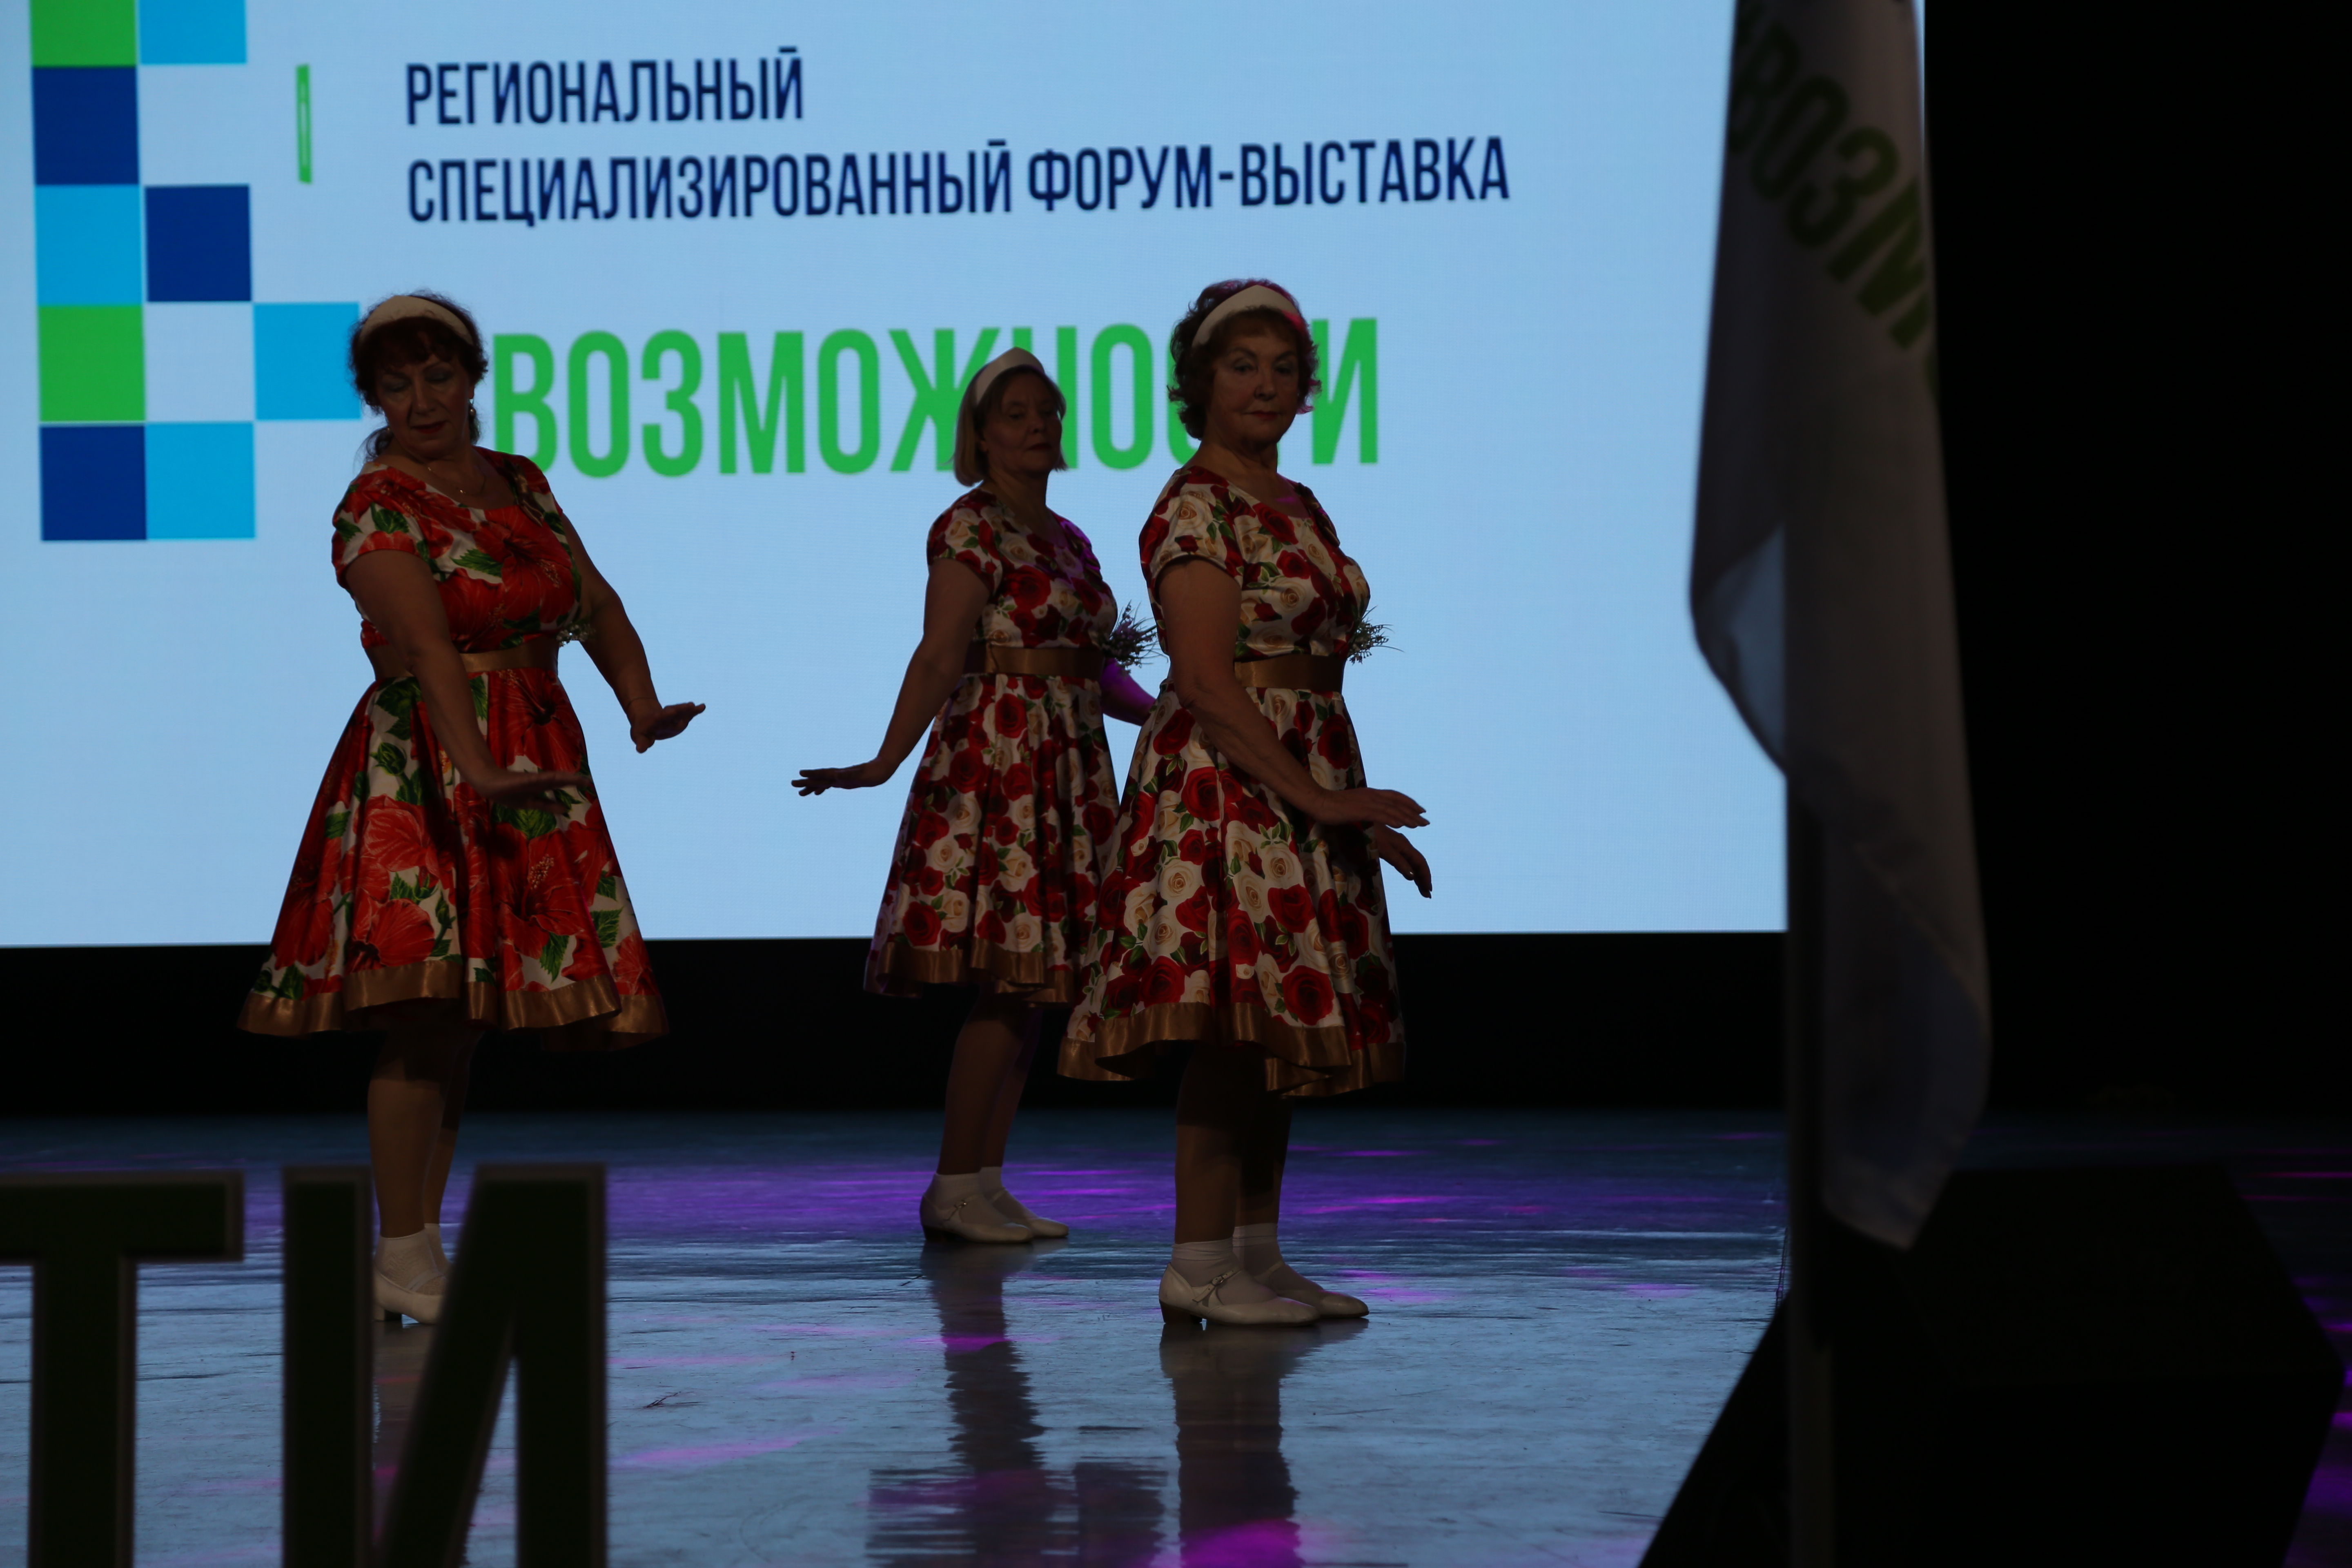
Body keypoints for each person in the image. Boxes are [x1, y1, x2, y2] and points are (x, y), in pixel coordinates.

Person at [238, 292, 704, 1324]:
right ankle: (400, 1250)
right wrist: (481, 769)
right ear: (373, 399)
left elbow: (593, 601)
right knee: (422, 1014)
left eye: (438, 376)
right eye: (396, 385)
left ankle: (414, 1249)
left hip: (528, 750)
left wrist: (640, 705)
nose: (421, 400)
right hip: (427, 767)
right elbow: (426, 645)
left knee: (464, 1023)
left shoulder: (520, 482)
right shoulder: (378, 504)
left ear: (472, 378)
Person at [1062, 281, 1433, 1326]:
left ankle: (1254, 1256)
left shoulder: (1299, 502)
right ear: (1199, 382)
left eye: (1283, 368)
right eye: (1241, 365)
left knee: (1276, 1025)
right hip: (1223, 786)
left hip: (1297, 765)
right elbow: (1206, 680)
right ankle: (1196, 1262)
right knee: (1230, 1024)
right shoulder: (1197, 506)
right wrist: (1318, 796)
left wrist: (1345, 806)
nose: (1266, 385)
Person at [794, 349, 1157, 1243]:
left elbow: (1088, 665)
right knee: (1007, 983)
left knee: (1033, 992)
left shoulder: (1070, 538)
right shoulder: (969, 526)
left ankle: (985, 1181)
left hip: (1067, 767)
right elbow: (940, 652)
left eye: (1047, 411)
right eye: (1015, 414)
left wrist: (1165, 714)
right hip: (1002, 766)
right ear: (982, 435)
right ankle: (953, 1183)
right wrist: (883, 760)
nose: (1037, 426)